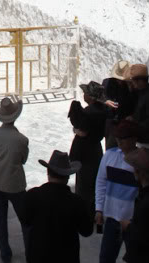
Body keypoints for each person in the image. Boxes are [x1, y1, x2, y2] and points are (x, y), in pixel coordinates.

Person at [21, 149, 93, 263]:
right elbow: (87, 231)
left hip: (38, 256)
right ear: (68, 177)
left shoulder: (32, 195)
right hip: (66, 257)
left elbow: (25, 221)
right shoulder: (77, 202)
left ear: (48, 173)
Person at [0, 95, 29, 263]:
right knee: (25, 219)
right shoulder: (22, 140)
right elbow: (23, 160)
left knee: (0, 218)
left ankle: (5, 253)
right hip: (15, 185)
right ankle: (30, 252)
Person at [94, 119, 139, 263]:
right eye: (118, 138)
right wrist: (99, 209)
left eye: (123, 138)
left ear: (133, 139)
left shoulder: (140, 161)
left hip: (133, 220)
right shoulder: (109, 156)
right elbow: (101, 183)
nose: (119, 141)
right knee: (106, 258)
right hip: (112, 218)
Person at [69, 80, 107, 216]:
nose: (83, 95)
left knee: (84, 183)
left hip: (85, 151)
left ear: (90, 97)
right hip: (96, 149)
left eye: (85, 93)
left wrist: (75, 130)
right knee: (94, 181)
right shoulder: (104, 109)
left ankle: (84, 214)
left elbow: (83, 132)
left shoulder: (88, 112)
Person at [103, 61, 136, 149]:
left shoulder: (131, 86)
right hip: (111, 123)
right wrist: (106, 102)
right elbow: (100, 98)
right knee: (110, 150)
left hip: (125, 124)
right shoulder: (107, 83)